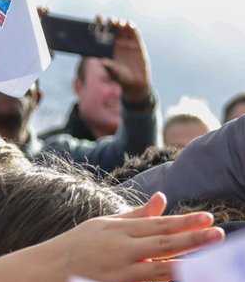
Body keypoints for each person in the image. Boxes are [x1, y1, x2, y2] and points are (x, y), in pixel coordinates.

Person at [39, 21, 162, 173]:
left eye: (124, 80)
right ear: (78, 87)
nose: (119, 91)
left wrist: (138, 96)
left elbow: (140, 162)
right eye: (109, 79)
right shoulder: (52, 155)